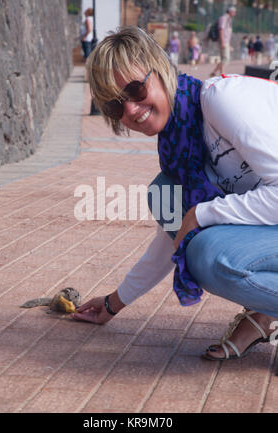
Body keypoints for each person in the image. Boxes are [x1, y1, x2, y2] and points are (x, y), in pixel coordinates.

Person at [72, 26, 278, 361]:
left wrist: (203, 213)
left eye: (137, 90)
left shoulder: (220, 100)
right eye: (114, 106)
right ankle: (264, 313)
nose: (132, 111)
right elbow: (174, 236)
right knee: (165, 196)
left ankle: (263, 314)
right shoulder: (177, 150)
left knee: (211, 256)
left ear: (161, 68)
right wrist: (113, 303)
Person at [210, 5, 236, 76]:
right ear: (230, 11)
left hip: (225, 41)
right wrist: (222, 42)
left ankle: (222, 73)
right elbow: (221, 29)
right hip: (223, 41)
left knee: (223, 58)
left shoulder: (229, 19)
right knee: (226, 59)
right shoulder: (224, 18)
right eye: (234, 12)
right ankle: (214, 71)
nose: (235, 13)